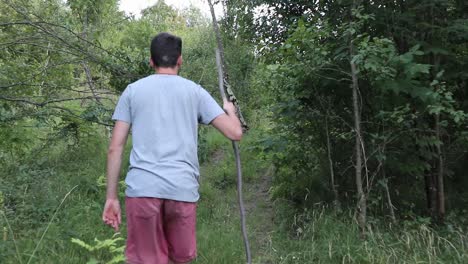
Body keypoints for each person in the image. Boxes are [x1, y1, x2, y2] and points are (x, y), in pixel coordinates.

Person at [102, 32, 243, 264]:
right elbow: (234, 133)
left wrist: (111, 197)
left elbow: (115, 148)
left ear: (151, 60)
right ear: (180, 60)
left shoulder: (132, 91)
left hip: (143, 190)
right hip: (181, 190)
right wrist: (231, 112)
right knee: (180, 259)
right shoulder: (195, 91)